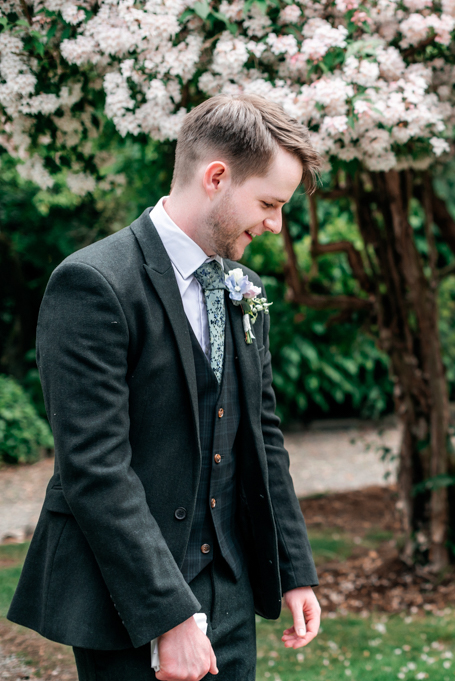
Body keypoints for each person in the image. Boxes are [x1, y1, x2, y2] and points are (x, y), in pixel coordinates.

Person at [6, 94, 325, 681]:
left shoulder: (243, 285)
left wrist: (293, 568)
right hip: (126, 600)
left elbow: (262, 434)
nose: (276, 224)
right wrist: (169, 617)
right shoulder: (93, 283)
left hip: (229, 589)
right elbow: (94, 468)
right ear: (217, 177)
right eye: (269, 203)